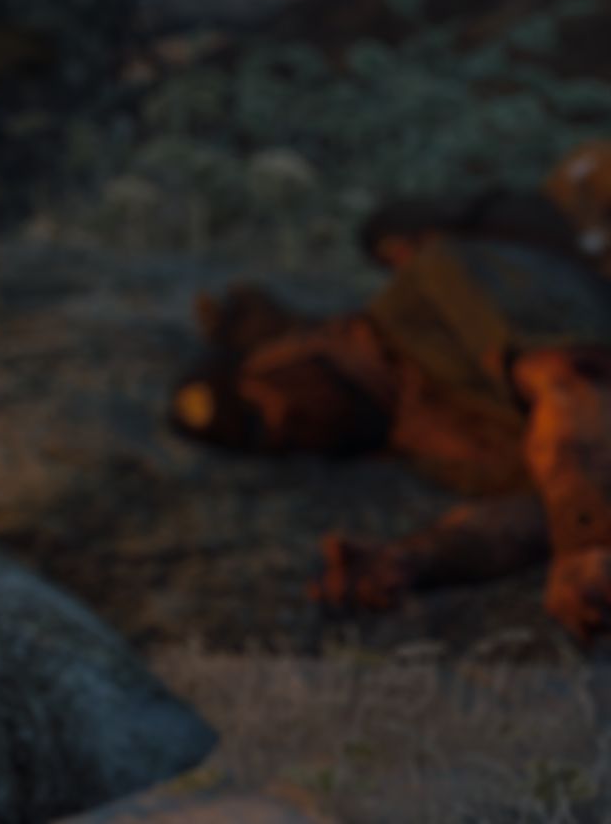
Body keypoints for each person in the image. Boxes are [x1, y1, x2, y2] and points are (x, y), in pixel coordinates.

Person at [171, 144, 611, 638]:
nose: (277, 422)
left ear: (282, 352)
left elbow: (574, 382)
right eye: (257, 435)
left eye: (256, 402)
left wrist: (586, 541)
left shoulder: (427, 292)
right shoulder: (424, 442)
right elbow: (539, 513)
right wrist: (416, 560)